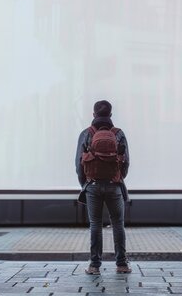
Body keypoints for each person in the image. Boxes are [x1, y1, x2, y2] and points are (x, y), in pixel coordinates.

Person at [75, 100, 131, 275]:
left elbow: (78, 164)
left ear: (93, 115)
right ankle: (121, 264)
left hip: (92, 185)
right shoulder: (119, 134)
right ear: (111, 115)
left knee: (95, 225)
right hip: (115, 186)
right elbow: (126, 162)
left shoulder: (86, 133)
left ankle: (94, 266)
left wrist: (86, 183)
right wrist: (117, 178)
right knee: (118, 224)